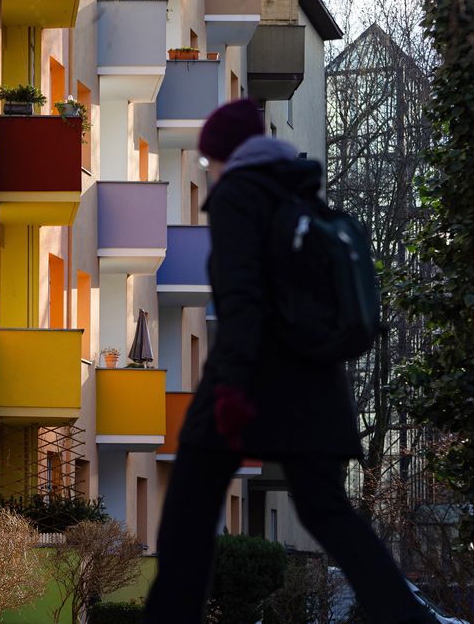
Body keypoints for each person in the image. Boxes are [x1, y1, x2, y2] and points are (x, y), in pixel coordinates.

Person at [143, 99, 433, 624]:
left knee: (187, 517)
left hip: (250, 384)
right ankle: (408, 618)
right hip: (317, 390)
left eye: (210, 160)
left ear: (225, 156)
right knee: (329, 513)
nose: (208, 170)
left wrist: (229, 391)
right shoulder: (298, 196)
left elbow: (241, 303)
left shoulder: (238, 198)